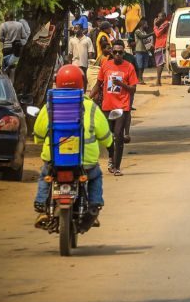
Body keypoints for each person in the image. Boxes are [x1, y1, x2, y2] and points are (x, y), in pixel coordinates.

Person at [32, 65, 113, 224]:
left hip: (55, 159)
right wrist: (110, 144)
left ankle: (41, 202)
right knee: (95, 176)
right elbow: (104, 135)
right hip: (85, 161)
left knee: (45, 175)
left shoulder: (50, 105)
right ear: (82, 83)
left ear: (57, 82)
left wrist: (39, 140)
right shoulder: (90, 107)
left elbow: (39, 132)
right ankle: (95, 205)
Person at [89, 39, 138, 176]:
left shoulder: (129, 67)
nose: (117, 54)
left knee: (118, 136)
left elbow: (133, 89)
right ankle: (111, 158)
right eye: (115, 52)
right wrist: (88, 98)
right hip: (107, 106)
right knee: (108, 137)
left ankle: (116, 167)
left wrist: (122, 85)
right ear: (112, 52)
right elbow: (98, 84)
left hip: (121, 107)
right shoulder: (106, 65)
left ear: (124, 53)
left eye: (120, 52)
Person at [152, 12, 170, 86]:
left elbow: (158, 34)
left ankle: (158, 81)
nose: (159, 18)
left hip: (161, 45)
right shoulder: (163, 24)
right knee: (159, 63)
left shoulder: (165, 24)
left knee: (159, 63)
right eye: (158, 16)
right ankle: (158, 81)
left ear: (164, 17)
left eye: (161, 17)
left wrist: (155, 25)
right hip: (159, 45)